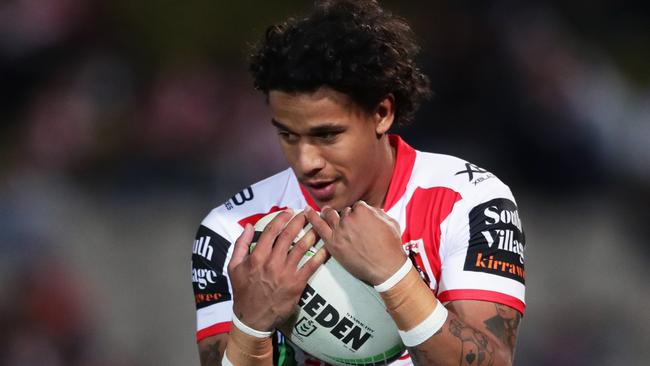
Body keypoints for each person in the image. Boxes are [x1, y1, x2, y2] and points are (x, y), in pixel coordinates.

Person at [191, 1, 525, 365]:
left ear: (382, 113)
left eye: (327, 135)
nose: (306, 162)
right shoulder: (231, 232)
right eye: (288, 135)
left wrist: (395, 276)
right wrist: (251, 327)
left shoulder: (471, 201)